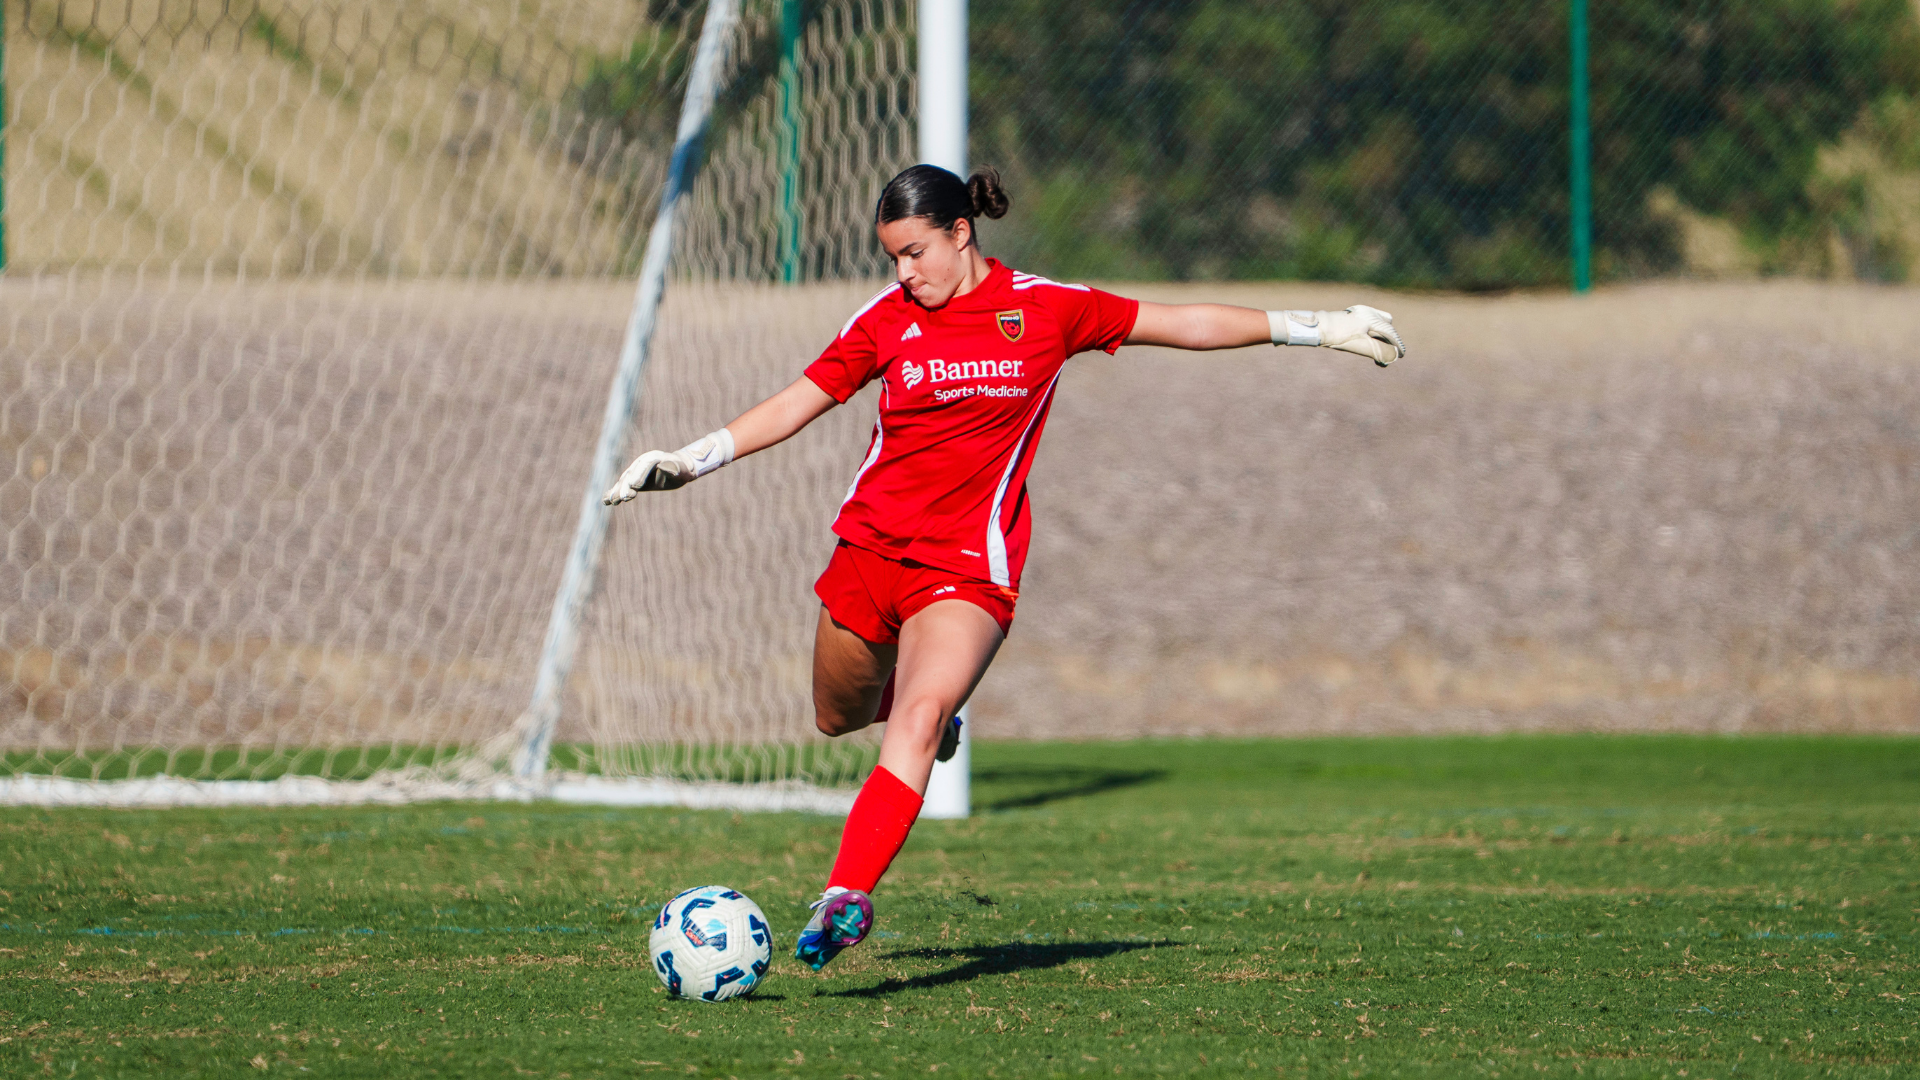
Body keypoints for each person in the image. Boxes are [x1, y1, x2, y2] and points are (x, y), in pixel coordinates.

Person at [603, 164, 1404, 971]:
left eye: (914, 253)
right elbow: (798, 400)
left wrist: (1316, 326)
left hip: (966, 568)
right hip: (869, 552)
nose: (902, 273)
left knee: (913, 720)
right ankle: (929, 712)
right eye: (891, 257)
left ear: (962, 233)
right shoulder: (886, 319)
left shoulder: (1047, 309)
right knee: (837, 716)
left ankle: (847, 894)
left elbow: (1182, 322)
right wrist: (692, 459)